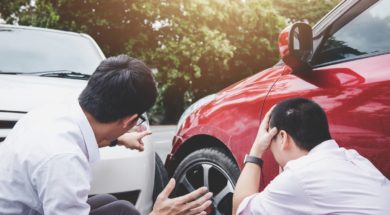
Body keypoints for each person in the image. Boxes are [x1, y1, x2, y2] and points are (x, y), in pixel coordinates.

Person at [0, 54, 212, 215]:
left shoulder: (57, 112)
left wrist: (117, 138)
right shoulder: (64, 160)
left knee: (118, 207)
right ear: (128, 121)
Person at [232, 97, 390, 215]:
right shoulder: (354, 158)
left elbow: (240, 210)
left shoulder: (299, 175)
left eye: (270, 145)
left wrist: (256, 150)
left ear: (282, 137)